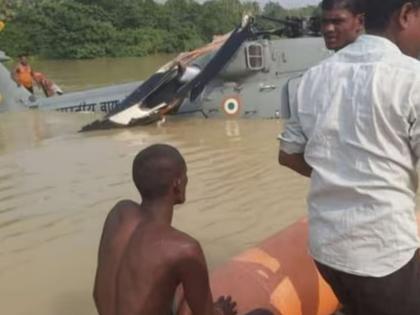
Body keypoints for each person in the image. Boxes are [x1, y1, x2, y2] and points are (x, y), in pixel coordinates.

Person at [278, 0, 420, 314]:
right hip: (383, 253)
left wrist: (338, 173)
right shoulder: (412, 78)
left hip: (326, 249)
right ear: (406, 14)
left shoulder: (312, 77)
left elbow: (287, 155)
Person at [93, 144, 237, 315]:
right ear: (177, 184)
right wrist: (220, 311)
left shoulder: (118, 214)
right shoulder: (184, 249)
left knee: (179, 289)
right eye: (185, 176)